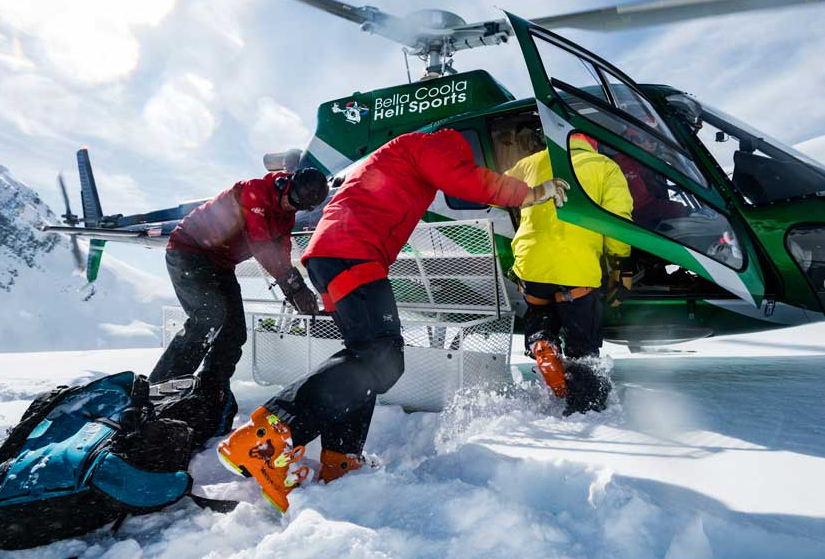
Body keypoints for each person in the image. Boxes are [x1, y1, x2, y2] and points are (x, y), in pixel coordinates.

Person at [217, 127, 568, 511]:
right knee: (382, 357)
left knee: (365, 356)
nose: (462, 162)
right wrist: (531, 193)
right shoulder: (434, 144)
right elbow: (464, 179)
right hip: (353, 251)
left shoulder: (395, 157)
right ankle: (266, 439)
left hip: (336, 253)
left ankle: (340, 460)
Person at [148, 168, 330, 437]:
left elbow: (282, 251)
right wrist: (291, 286)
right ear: (286, 183)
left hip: (221, 264)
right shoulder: (254, 191)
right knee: (209, 315)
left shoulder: (285, 217)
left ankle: (210, 394)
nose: (288, 205)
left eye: (297, 206)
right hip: (189, 250)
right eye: (290, 198)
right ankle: (157, 390)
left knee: (234, 333)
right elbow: (260, 244)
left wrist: (298, 291)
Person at [506, 132, 633, 414]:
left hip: (530, 266)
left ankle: (542, 342)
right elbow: (618, 221)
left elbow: (494, 193)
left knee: (541, 311)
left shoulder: (529, 163)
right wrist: (620, 261)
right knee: (582, 343)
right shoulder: (604, 166)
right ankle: (585, 409)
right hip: (576, 271)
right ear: (592, 143)